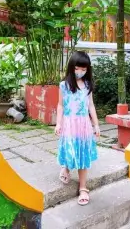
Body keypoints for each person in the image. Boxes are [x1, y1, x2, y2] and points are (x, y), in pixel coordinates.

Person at [55, 51, 99, 206]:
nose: (80, 72)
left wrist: (96, 125)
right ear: (71, 67)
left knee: (82, 154)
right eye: (77, 69)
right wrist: (58, 123)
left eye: (84, 69)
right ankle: (66, 168)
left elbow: (91, 106)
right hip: (69, 124)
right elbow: (60, 105)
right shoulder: (64, 85)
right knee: (70, 149)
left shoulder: (87, 86)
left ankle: (83, 188)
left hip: (84, 126)